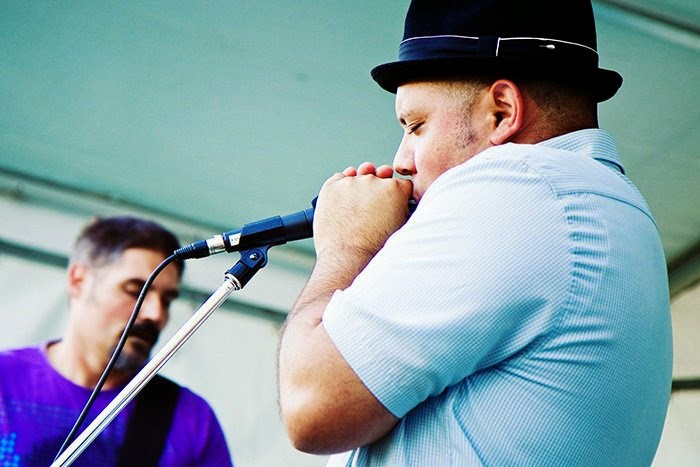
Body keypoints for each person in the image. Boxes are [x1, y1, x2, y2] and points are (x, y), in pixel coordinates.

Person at [277, 0, 673, 465]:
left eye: (416, 126)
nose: (401, 161)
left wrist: (347, 246)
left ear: (502, 112)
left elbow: (313, 404)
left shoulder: (519, 185)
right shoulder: (611, 207)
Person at [0, 216, 233, 466]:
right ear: (78, 281)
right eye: (136, 291)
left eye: (166, 300)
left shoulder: (192, 419)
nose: (156, 314)